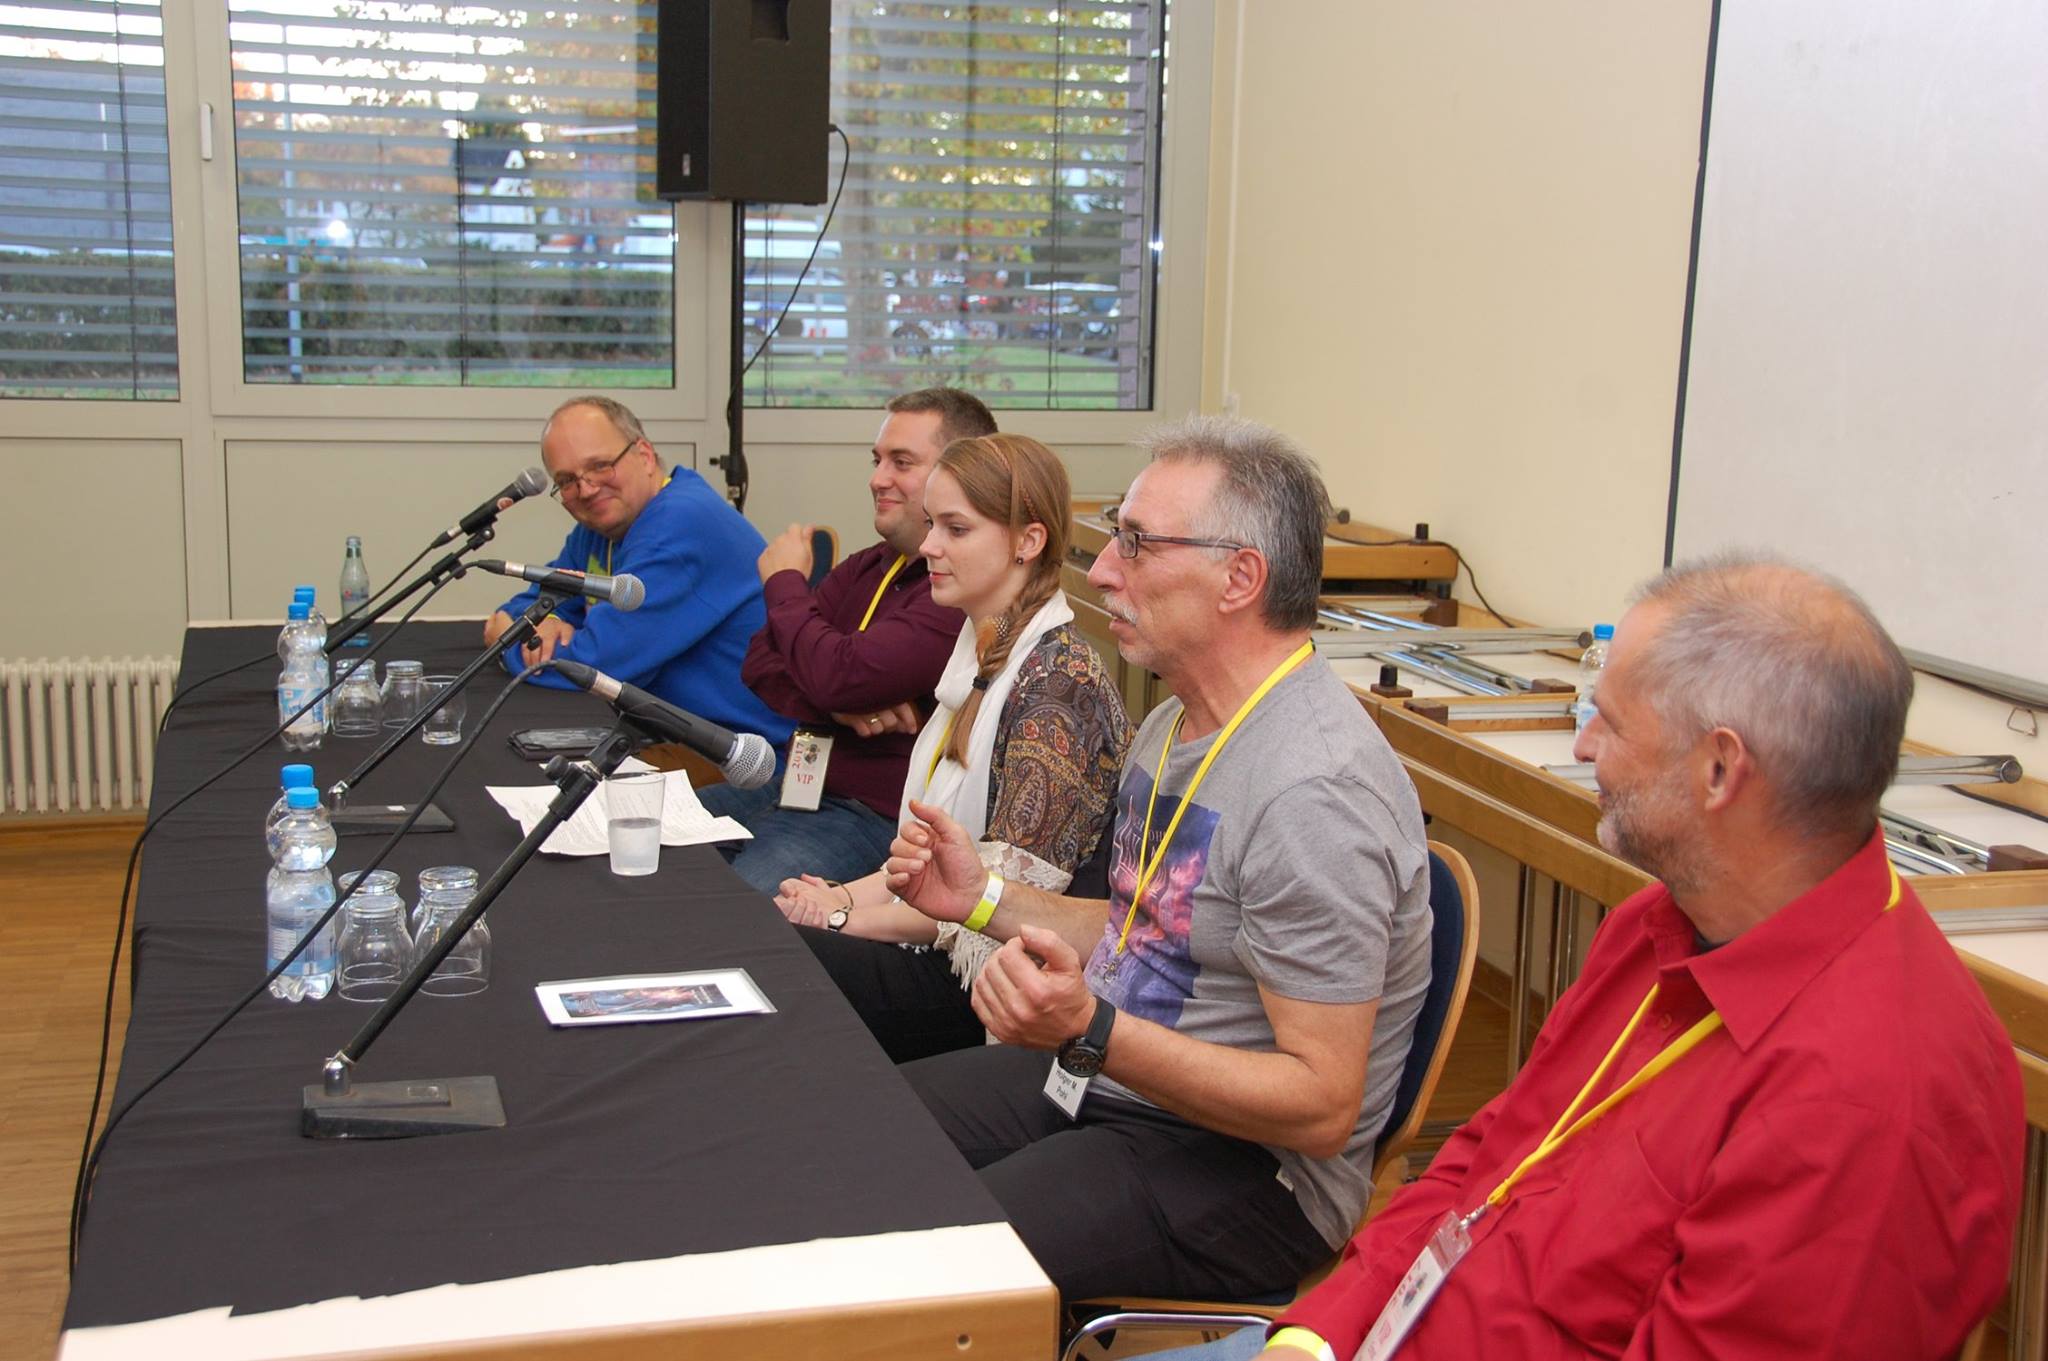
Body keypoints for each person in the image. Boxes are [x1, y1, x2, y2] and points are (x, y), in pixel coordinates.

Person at [1186, 555, 2024, 1361]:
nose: (1583, 747)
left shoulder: (1867, 1105)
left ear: (1721, 768)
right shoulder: (1659, 923)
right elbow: (1482, 1164)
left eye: (1609, 721)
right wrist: (1318, 1334)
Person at [880, 416, 1433, 1302]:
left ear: (1238, 578)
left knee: (932, 1269)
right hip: (1121, 1082)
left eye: (1136, 544)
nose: (1100, 569)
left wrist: (1092, 1028)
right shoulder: (1176, 719)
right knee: (860, 1141)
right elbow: (1157, 928)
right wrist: (984, 897)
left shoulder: (1314, 791)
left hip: (1250, 1169)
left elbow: (1323, 1106)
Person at [771, 433, 1133, 1062]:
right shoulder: (978, 654)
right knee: (776, 929)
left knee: (783, 962)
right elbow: (924, 870)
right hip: (944, 946)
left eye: (956, 530)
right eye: (932, 524)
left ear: (1028, 541)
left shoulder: (1058, 687)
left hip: (991, 987)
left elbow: (988, 905)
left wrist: (837, 918)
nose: (930, 547)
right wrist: (838, 898)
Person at [697, 388, 996, 892]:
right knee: (644, 832)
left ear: (959, 476)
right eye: (877, 460)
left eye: (901, 462)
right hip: (797, 787)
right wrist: (837, 707)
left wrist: (785, 582)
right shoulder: (871, 564)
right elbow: (760, 662)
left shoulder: (954, 587)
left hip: (869, 816)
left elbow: (840, 673)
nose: (877, 479)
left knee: (739, 913)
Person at [484, 395, 791, 746]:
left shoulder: (681, 526)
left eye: (601, 465)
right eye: (567, 480)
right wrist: (544, 621)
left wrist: (506, 645)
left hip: (746, 759)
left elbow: (598, 666)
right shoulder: (602, 527)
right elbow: (539, 598)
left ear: (644, 456)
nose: (586, 489)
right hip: (673, 737)